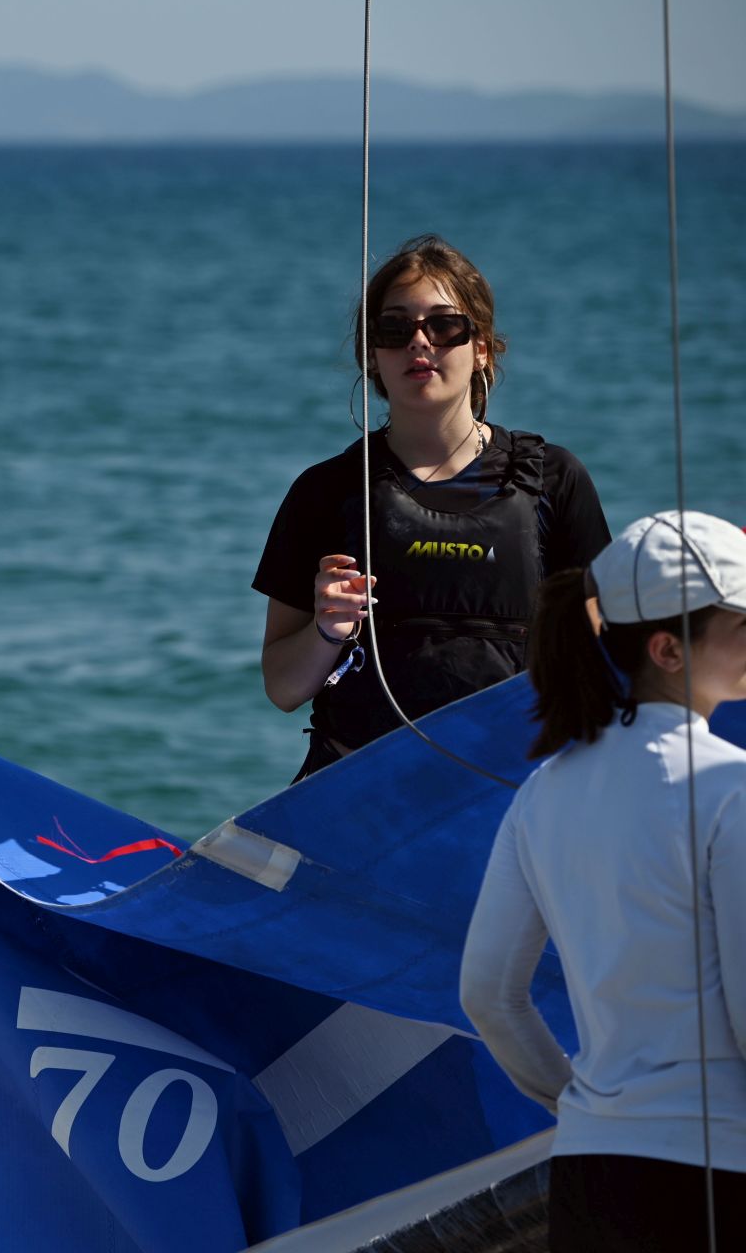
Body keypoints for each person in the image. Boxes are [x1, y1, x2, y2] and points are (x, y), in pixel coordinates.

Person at [460, 510, 746, 1250]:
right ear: (667, 650)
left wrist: (588, 1104)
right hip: (719, 1177)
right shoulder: (732, 790)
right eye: (743, 622)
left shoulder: (544, 790)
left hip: (590, 1176)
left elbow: (488, 997)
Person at [253, 234, 611, 780]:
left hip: (503, 796)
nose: (420, 343)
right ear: (372, 355)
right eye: (395, 329)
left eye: (444, 326)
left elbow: (601, 665)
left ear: (483, 346)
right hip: (359, 793)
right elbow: (282, 688)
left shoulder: (555, 479)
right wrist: (327, 629)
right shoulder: (326, 491)